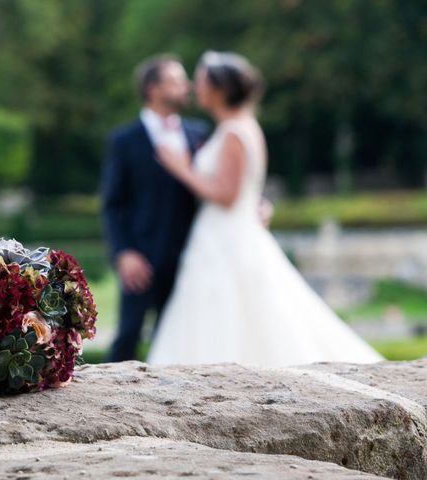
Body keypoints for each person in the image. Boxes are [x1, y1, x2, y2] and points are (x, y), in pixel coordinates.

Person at [147, 51, 383, 366]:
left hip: (225, 236)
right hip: (225, 232)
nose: (195, 88)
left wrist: (182, 168)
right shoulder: (234, 127)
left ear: (220, 89)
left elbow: (227, 194)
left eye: (202, 82)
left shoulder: (233, 131)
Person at [101, 54, 209, 362]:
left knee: (183, 341)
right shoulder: (124, 140)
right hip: (142, 259)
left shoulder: (199, 132)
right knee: (128, 337)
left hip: (193, 256)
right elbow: (112, 204)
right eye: (176, 81)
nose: (186, 86)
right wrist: (124, 254)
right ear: (153, 89)